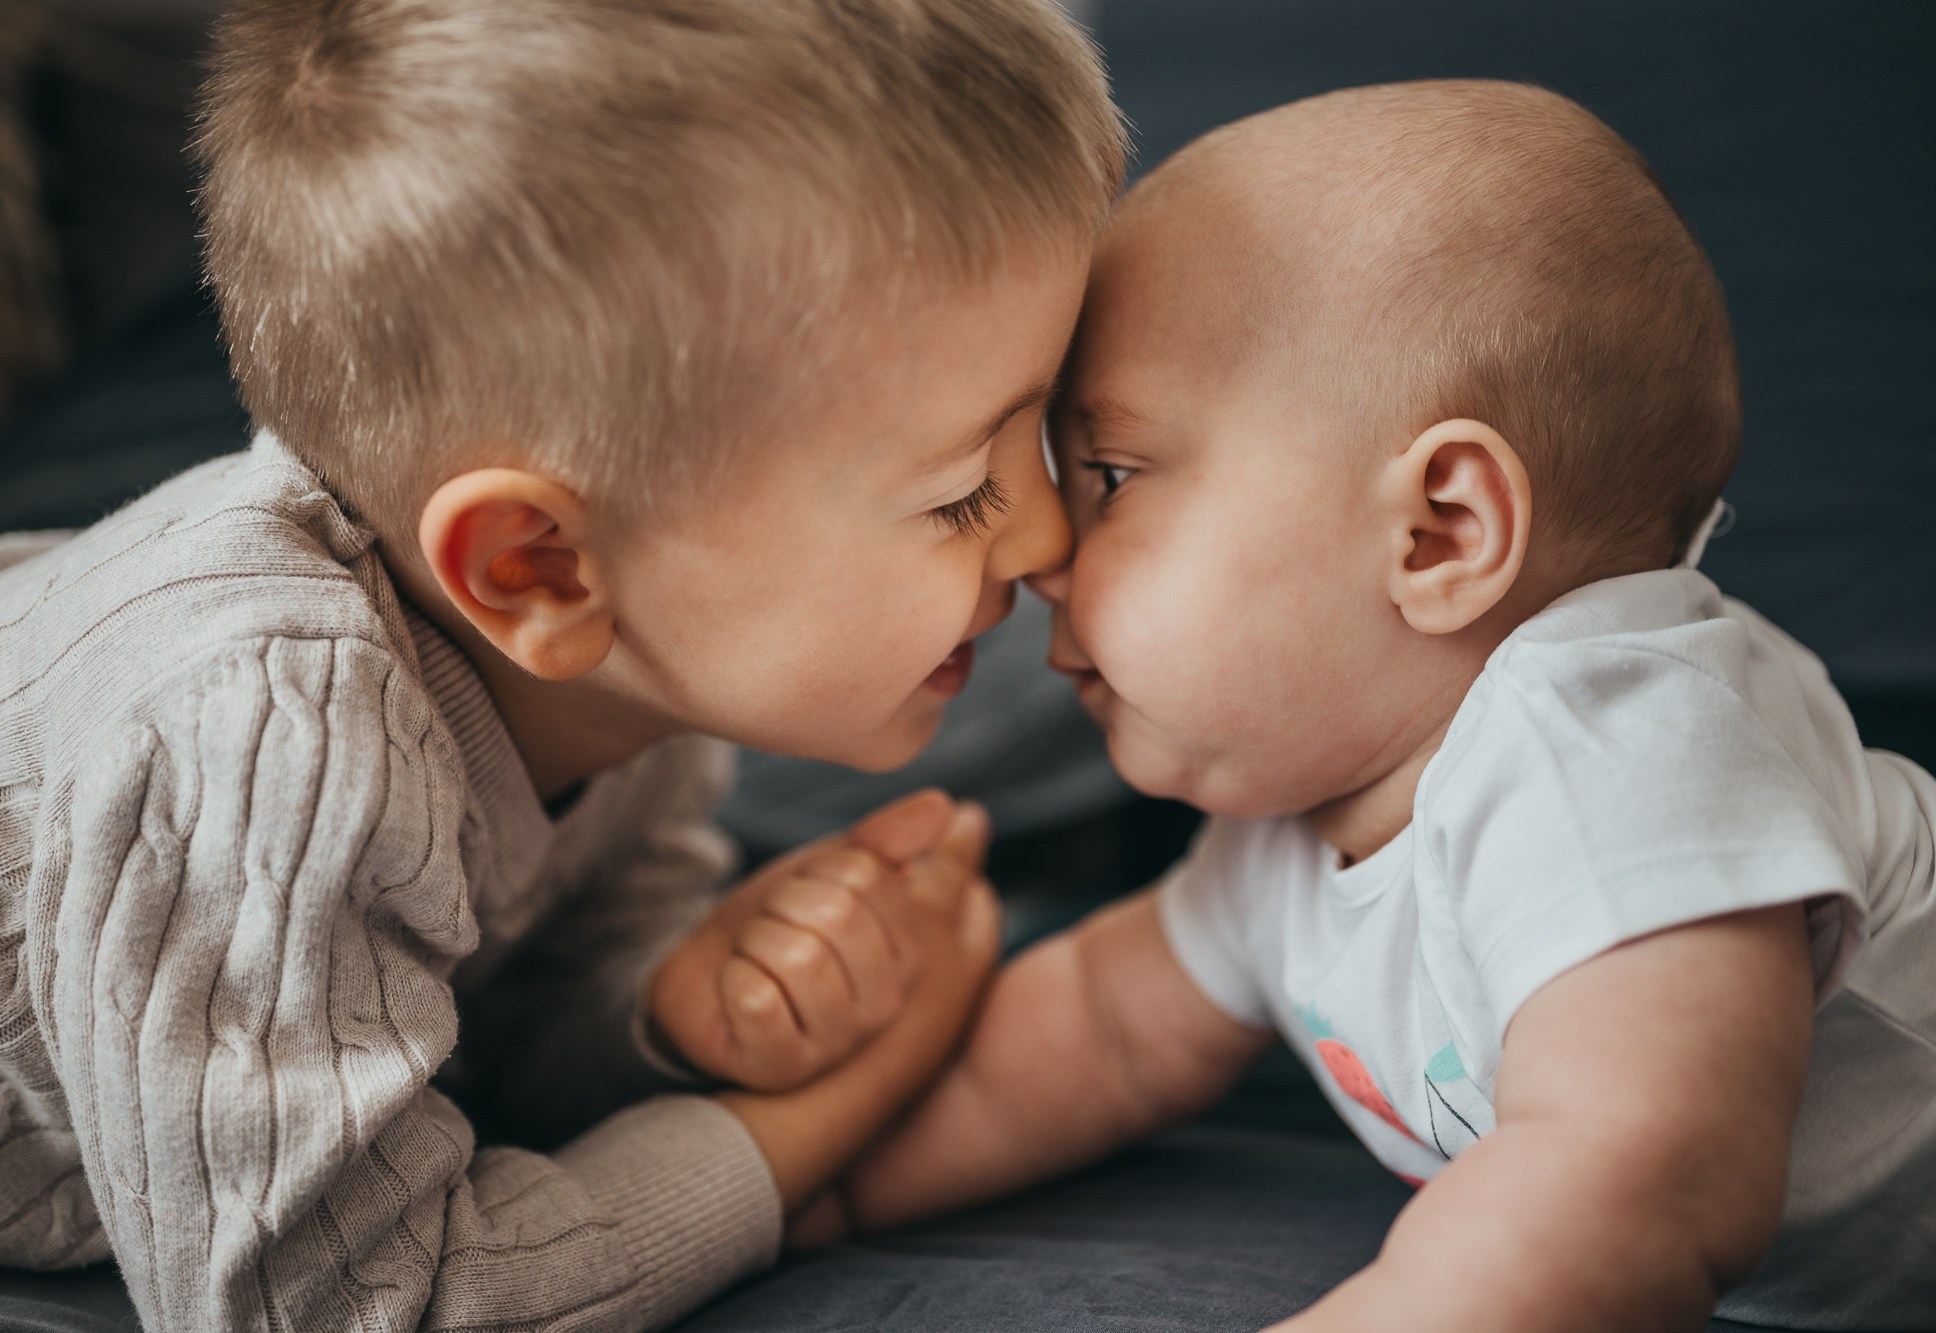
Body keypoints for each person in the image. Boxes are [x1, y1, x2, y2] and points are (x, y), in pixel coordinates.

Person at [0, 0, 1125, 1329]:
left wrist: (677, 1002)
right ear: (538, 568)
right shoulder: (270, 740)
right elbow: (354, 1306)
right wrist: (819, 1123)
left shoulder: (620, 672)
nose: (1050, 537)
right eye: (960, 492)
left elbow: (481, 1019)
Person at [815, 80, 1936, 1331]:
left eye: (1112, 477)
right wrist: (804, 1191)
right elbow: (1095, 1034)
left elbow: (1641, 1180)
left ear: (1437, 532)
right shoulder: (1291, 818)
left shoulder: (1608, 742)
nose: (1037, 557)